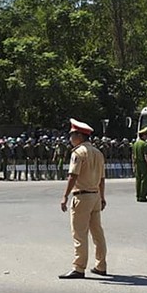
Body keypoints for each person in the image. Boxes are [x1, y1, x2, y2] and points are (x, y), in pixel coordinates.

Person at [58, 118, 107, 280]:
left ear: (79, 136)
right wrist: (102, 196)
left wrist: (65, 195)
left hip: (82, 196)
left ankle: (79, 267)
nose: (70, 138)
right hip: (95, 196)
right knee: (97, 232)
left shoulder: (78, 153)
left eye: (72, 135)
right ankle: (101, 265)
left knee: (79, 233)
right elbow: (102, 178)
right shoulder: (98, 153)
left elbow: (73, 175)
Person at [132, 127, 147, 202]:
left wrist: (133, 165)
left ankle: (138, 195)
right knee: (145, 180)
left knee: (138, 180)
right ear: (143, 136)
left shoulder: (135, 144)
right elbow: (146, 156)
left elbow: (133, 156)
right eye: (146, 135)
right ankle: (142, 196)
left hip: (137, 164)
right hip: (143, 164)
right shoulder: (145, 144)